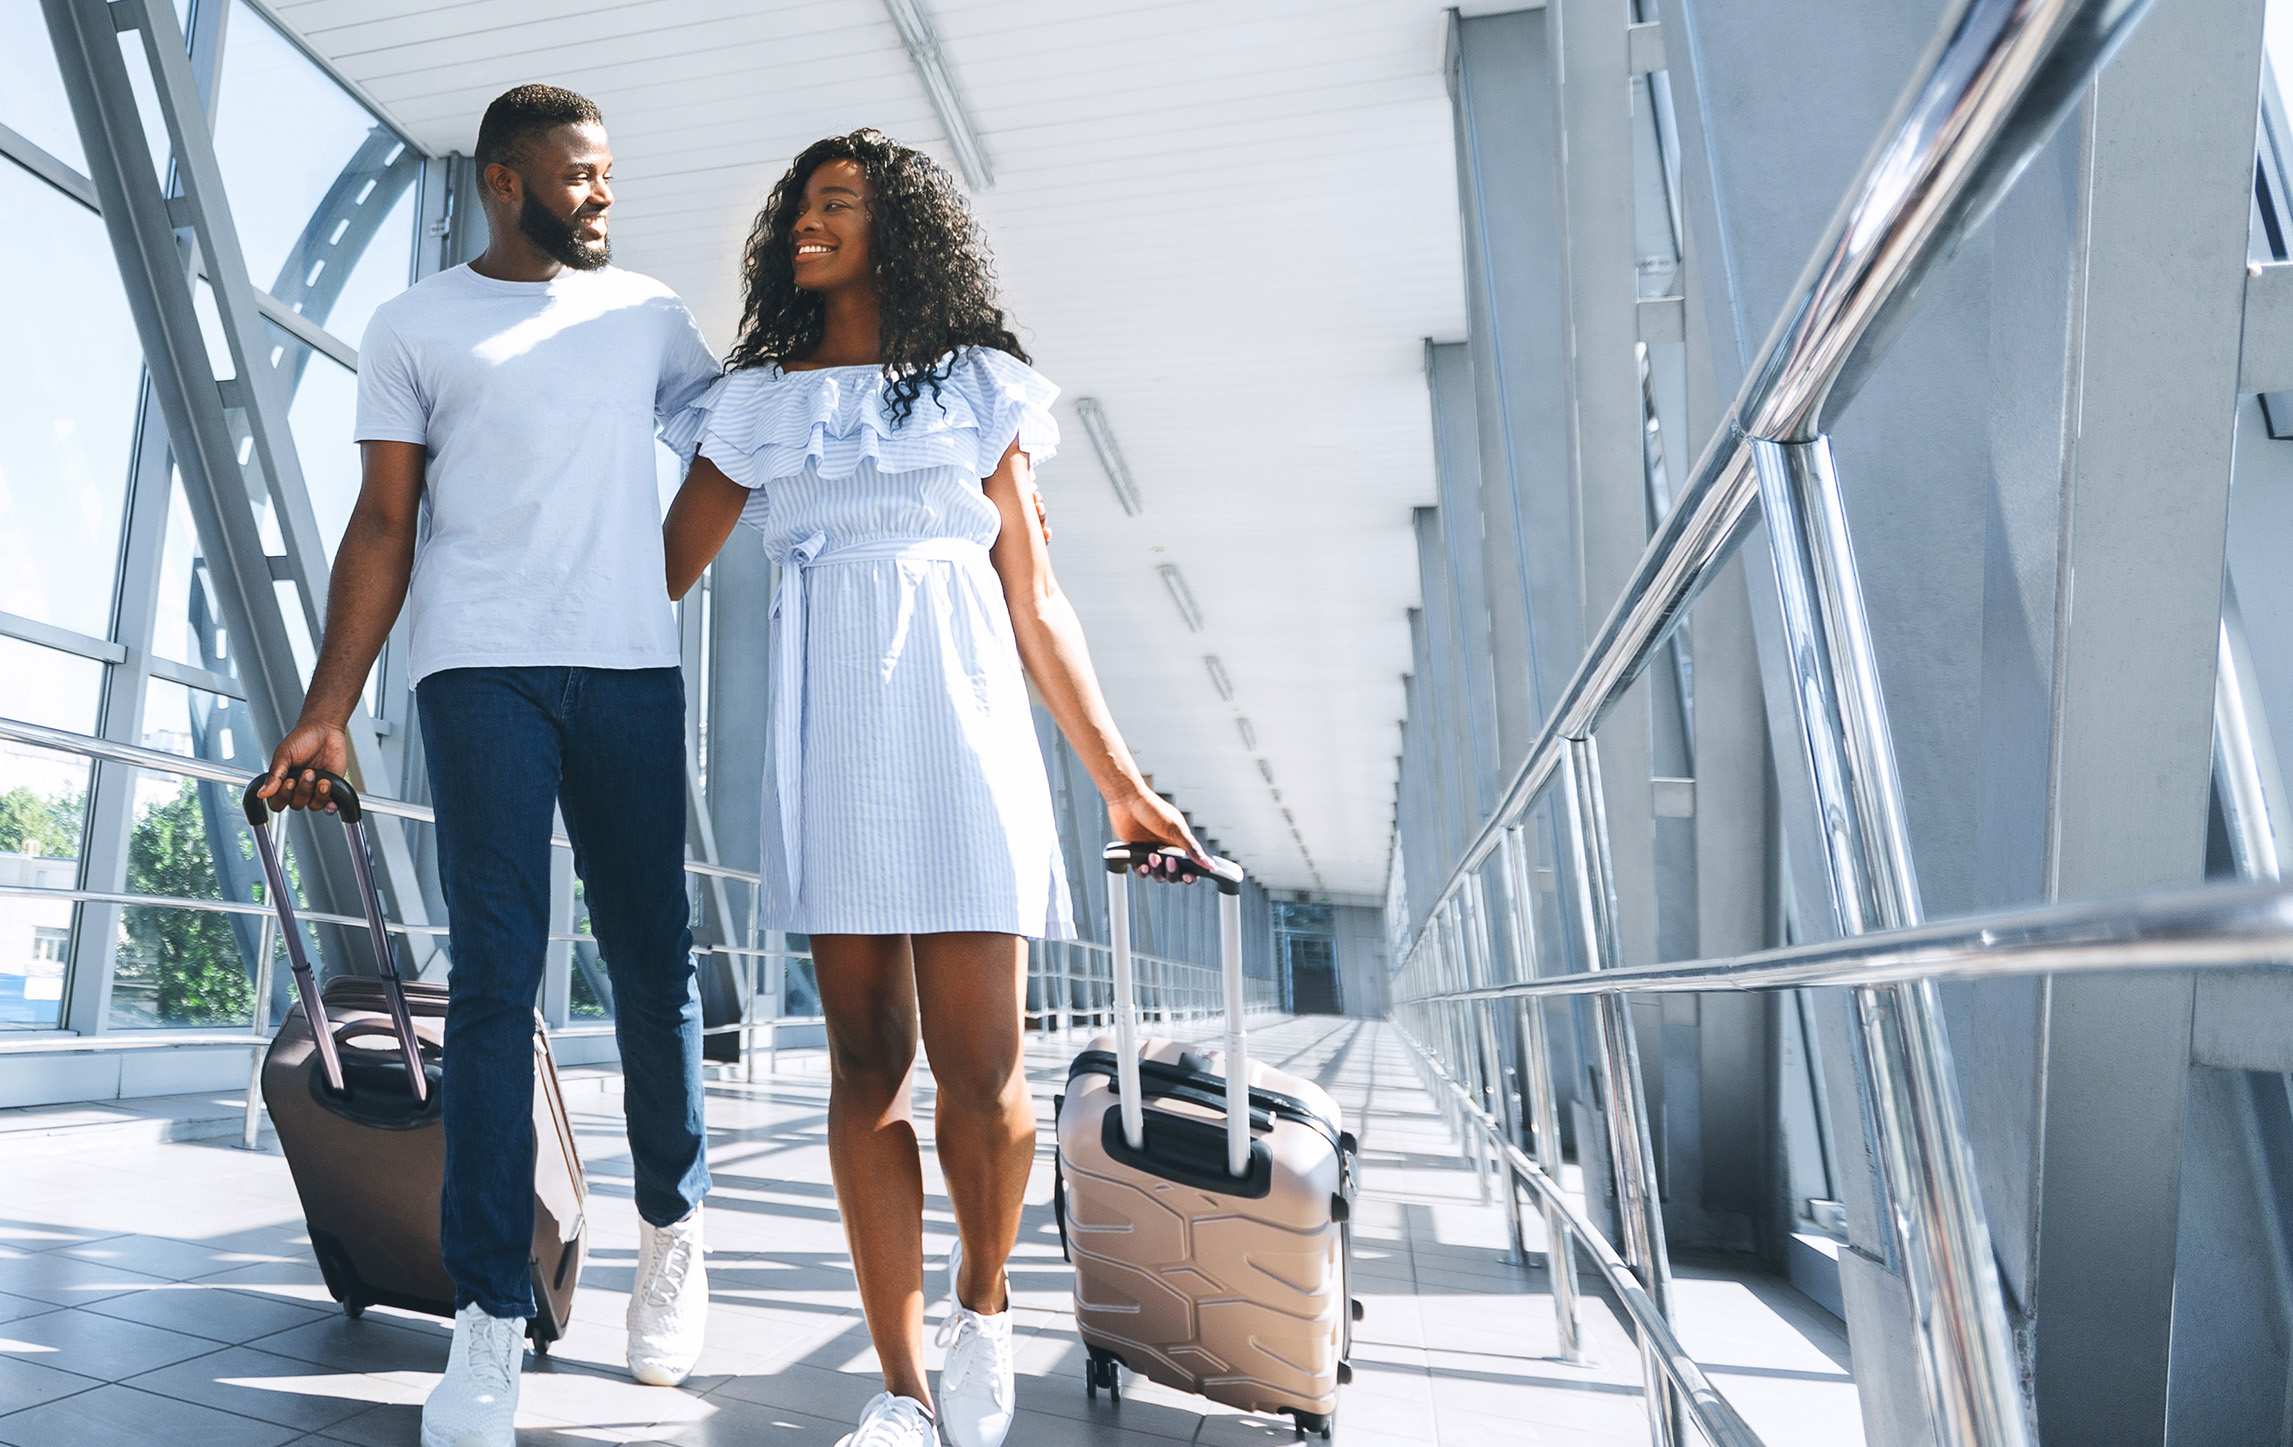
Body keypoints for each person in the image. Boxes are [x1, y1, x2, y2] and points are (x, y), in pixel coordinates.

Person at [660, 128, 1204, 1447]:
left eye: (834, 204)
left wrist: (1123, 785)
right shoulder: (756, 403)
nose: (804, 221)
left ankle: (986, 1305)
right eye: (796, 203)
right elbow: (648, 576)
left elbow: (1037, 603)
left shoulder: (979, 387)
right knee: (862, 1064)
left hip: (959, 729)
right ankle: (899, 1395)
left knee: (983, 1073)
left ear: (896, 230)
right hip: (828, 735)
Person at [256, 85, 720, 1447]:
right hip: (477, 675)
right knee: (497, 975)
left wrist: (654, 585)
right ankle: (488, 1316)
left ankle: (671, 1238)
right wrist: (326, 705)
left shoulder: (644, 315)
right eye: (581, 176)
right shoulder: (413, 326)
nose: (604, 196)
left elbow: (734, 451)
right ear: (507, 182)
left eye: (608, 175)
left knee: (652, 959)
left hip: (630, 678)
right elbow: (384, 523)